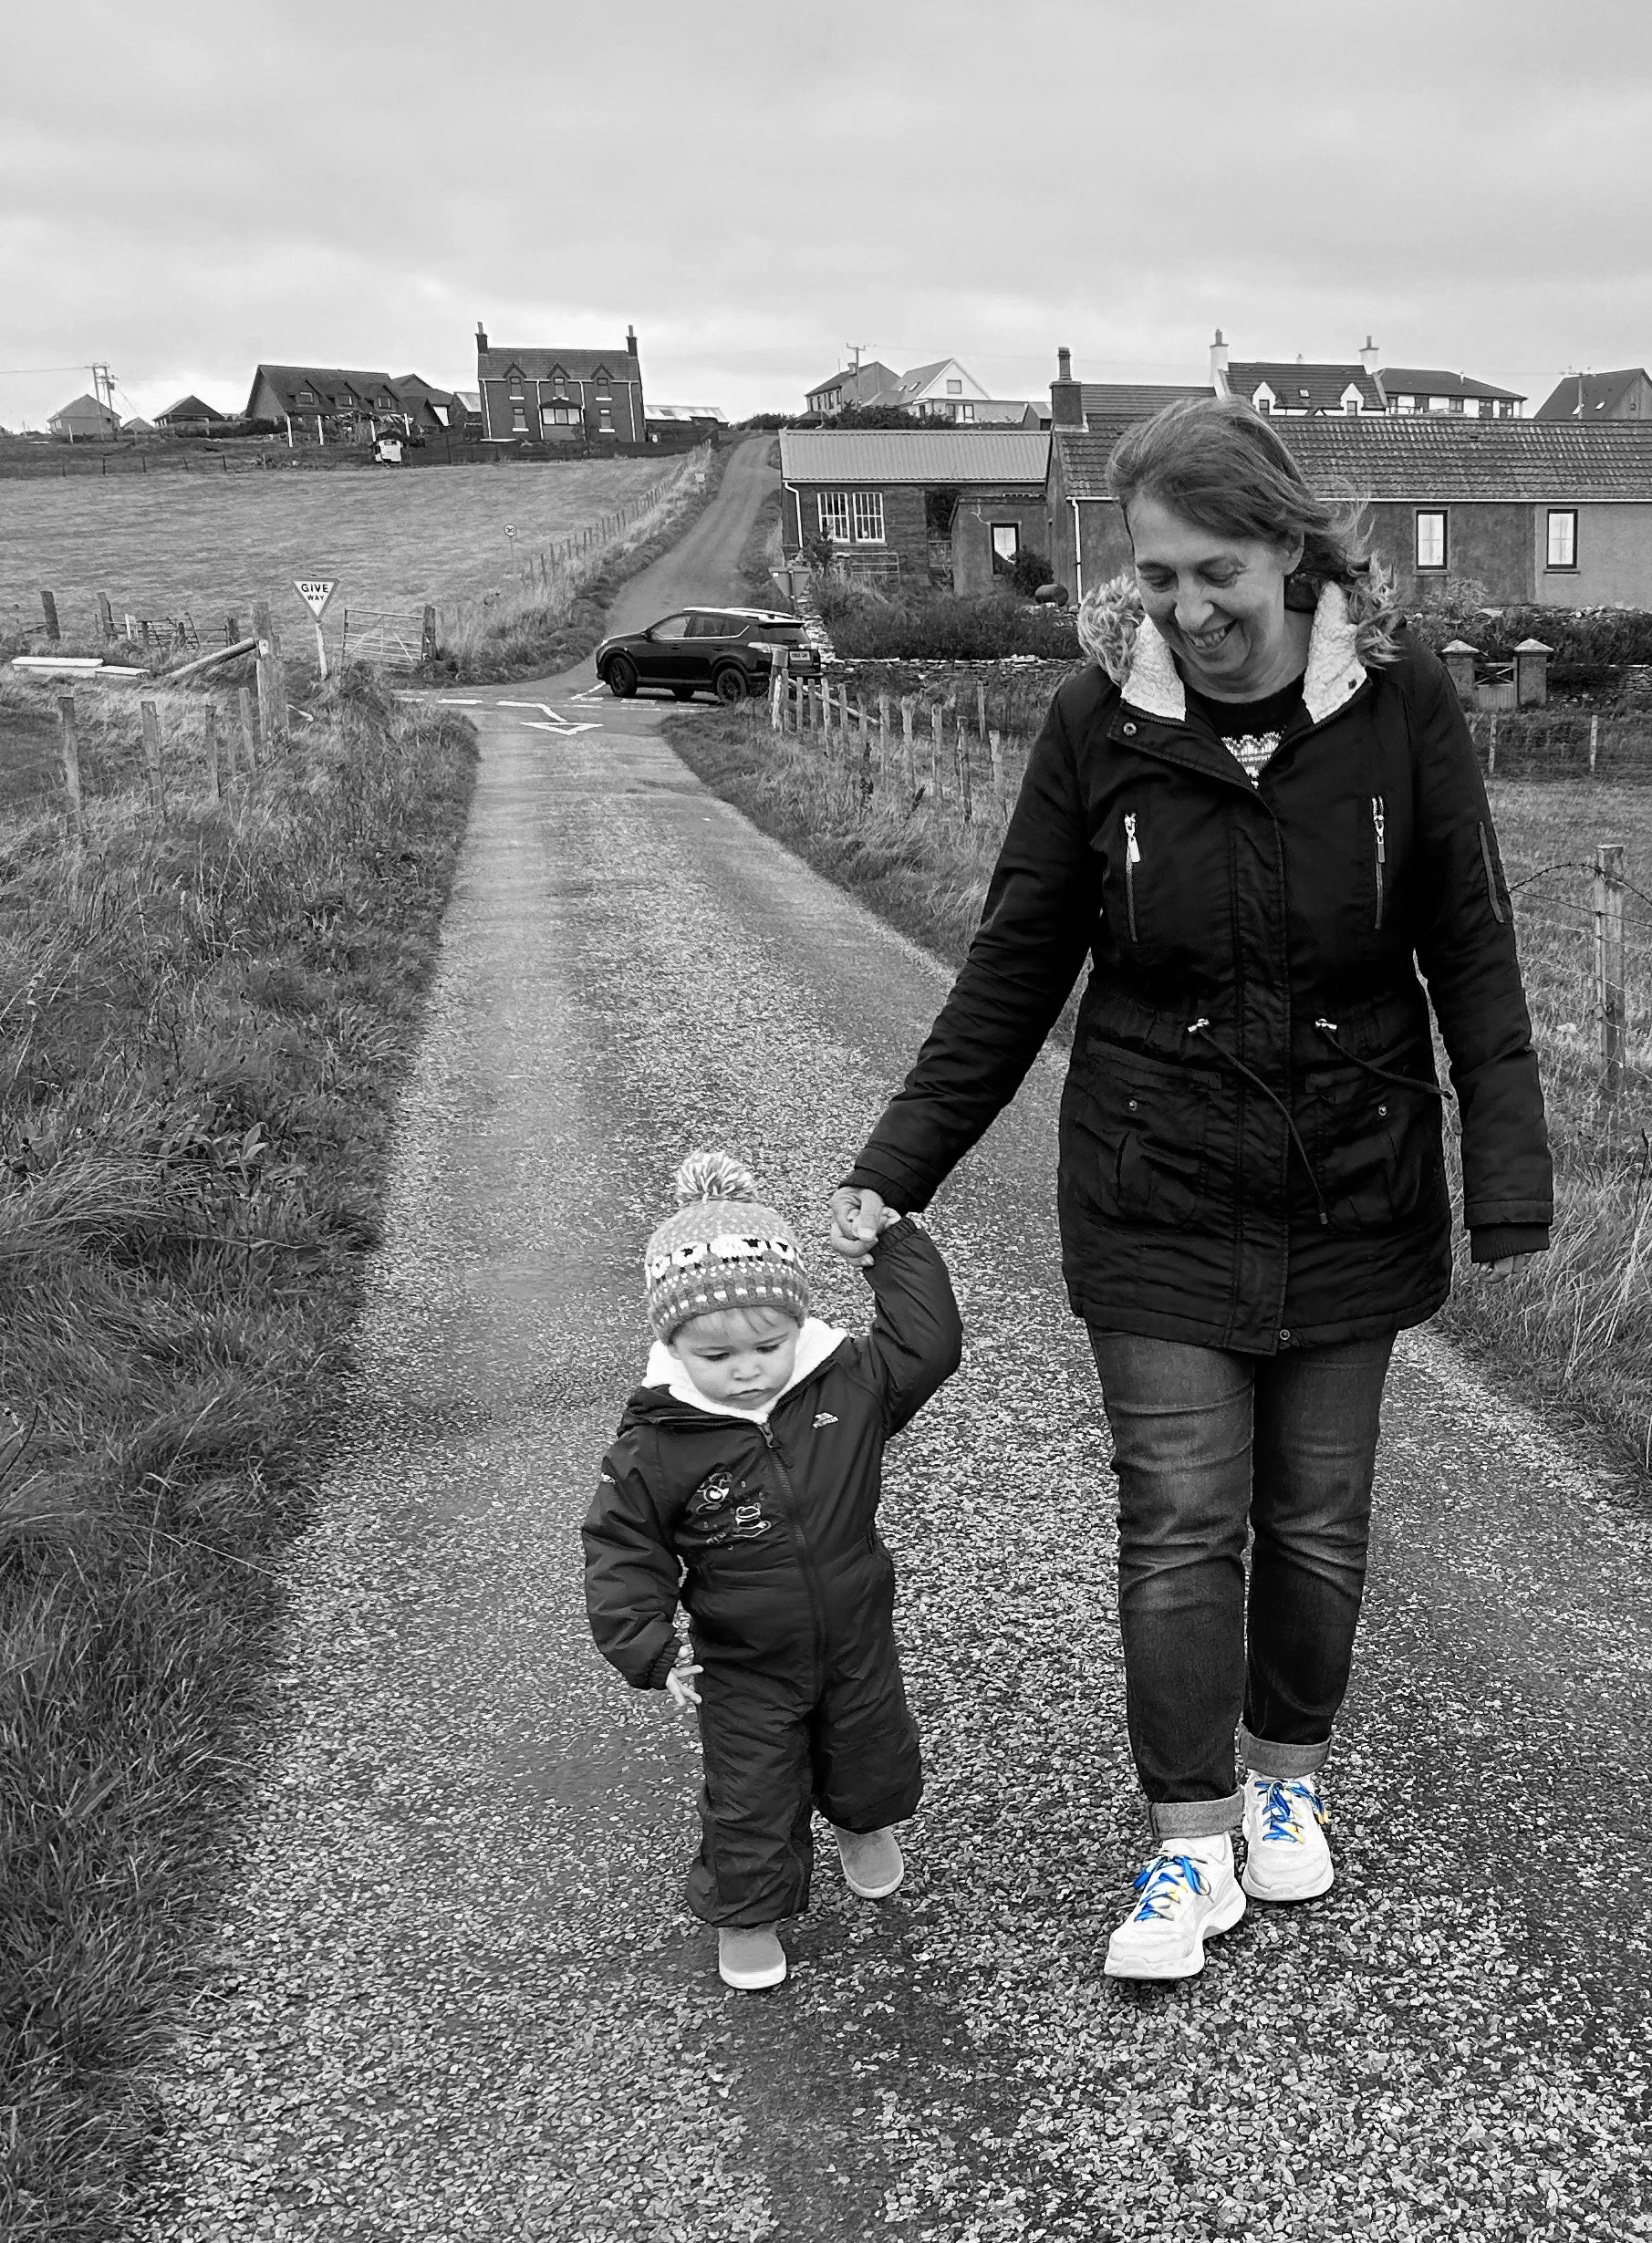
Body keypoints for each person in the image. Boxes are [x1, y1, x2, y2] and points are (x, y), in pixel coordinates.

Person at [833, 400, 1553, 1984]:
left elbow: (1473, 951)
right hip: (1153, 1185)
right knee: (1176, 1519)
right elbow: (1014, 968)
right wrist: (897, 1165)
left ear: (1292, 549)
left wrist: (1505, 1181)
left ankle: (1287, 1777)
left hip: (1354, 1180)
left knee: (1316, 1521)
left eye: (1215, 570)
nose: (1189, 609)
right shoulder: (1096, 725)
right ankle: (1188, 1838)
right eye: (1158, 578)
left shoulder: (1403, 706)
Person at [583, 1149, 962, 1992]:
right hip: (742, 1658)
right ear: (672, 1343)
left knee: (869, 1750)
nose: (747, 1367)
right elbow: (621, 1547)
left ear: (797, 1326)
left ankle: (864, 1829)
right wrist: (648, 1646)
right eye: (716, 1355)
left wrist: (891, 1248)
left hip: (855, 1628)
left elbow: (927, 1346)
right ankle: (749, 1914)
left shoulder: (849, 1386)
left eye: (767, 1343)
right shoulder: (656, 1444)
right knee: (751, 1794)